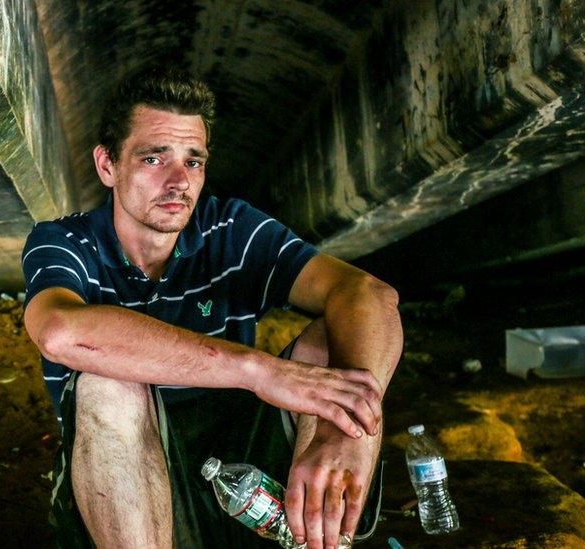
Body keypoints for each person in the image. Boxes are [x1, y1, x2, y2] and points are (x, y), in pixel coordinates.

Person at [21, 69, 403, 549]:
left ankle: (318, 538)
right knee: (104, 382)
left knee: (336, 343)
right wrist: (255, 369)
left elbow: (369, 295)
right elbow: (59, 331)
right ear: (107, 166)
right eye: (154, 158)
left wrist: (344, 429)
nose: (179, 181)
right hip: (127, 494)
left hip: (247, 482)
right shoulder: (65, 241)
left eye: (194, 161)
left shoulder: (228, 228)